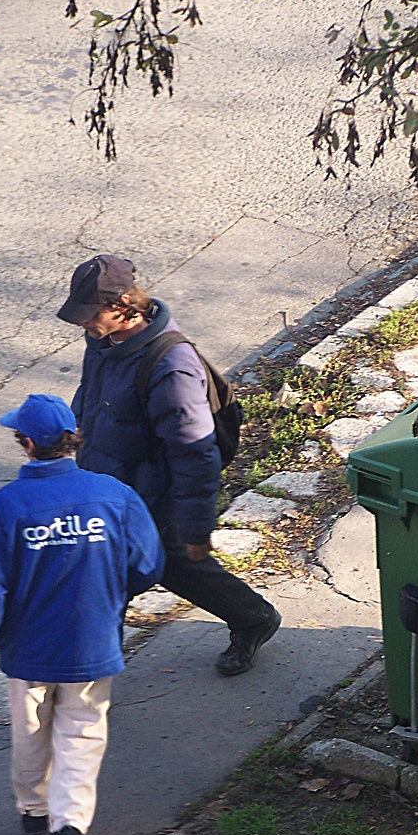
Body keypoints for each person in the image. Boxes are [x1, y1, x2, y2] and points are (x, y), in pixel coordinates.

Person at [0, 394, 165, 835]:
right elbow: (148, 565)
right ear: (73, 439)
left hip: (29, 650)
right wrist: (111, 592)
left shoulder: (7, 506)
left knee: (31, 733)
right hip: (92, 641)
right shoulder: (114, 494)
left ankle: (33, 812)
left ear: (25, 444)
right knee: (83, 731)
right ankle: (70, 826)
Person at [56, 254, 282, 676]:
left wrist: (197, 527)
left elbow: (194, 453)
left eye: (91, 314)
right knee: (170, 563)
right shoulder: (105, 344)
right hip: (112, 488)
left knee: (107, 575)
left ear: (124, 306)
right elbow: (91, 396)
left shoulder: (172, 368)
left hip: (150, 497)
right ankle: (253, 617)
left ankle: (86, 678)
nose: (82, 323)